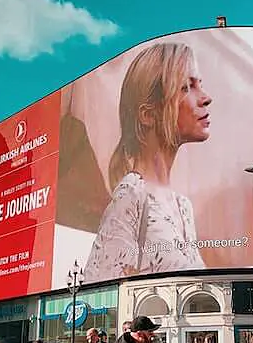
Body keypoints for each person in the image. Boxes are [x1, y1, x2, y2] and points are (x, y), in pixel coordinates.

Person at [84, 42, 212, 283]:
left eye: (200, 85)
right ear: (148, 114)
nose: (206, 98)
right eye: (186, 87)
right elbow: (101, 286)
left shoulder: (183, 206)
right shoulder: (132, 193)